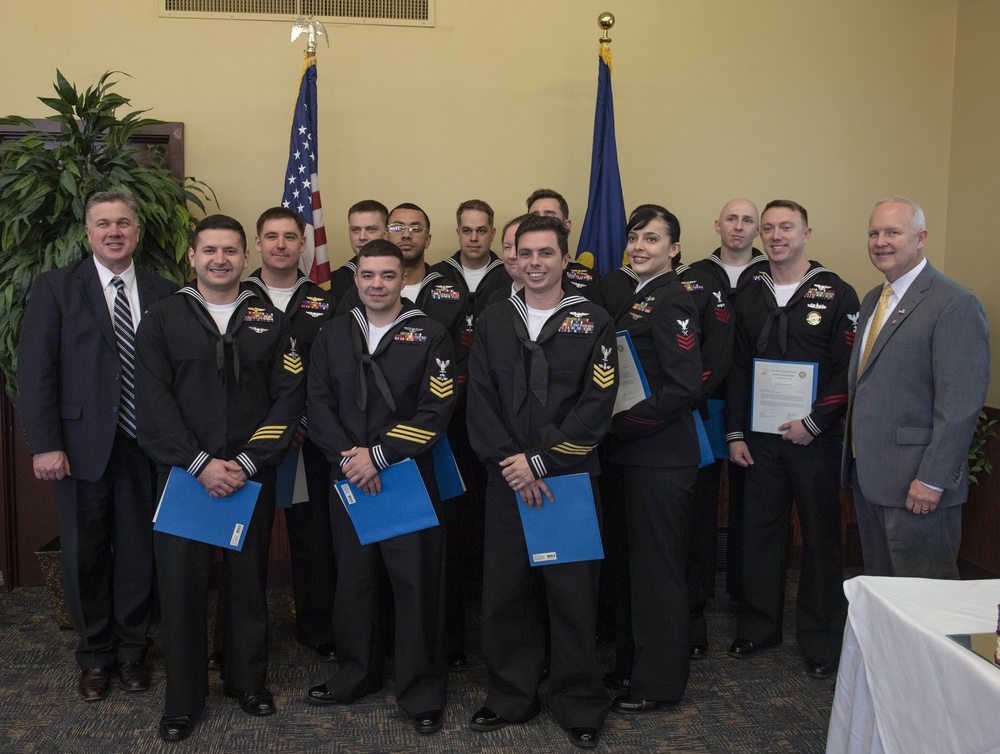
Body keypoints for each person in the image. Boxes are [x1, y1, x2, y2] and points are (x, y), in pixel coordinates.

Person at [135, 214, 305, 741]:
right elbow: (153, 403)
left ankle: (246, 681)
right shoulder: (163, 319)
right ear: (192, 256)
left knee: (247, 583)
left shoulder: (271, 321)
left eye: (230, 251)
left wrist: (247, 463)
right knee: (182, 590)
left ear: (245, 258)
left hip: (248, 477)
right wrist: (200, 464)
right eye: (209, 250)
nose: (220, 259)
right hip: (186, 477)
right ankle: (183, 700)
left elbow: (288, 399)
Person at [17, 189, 176, 702]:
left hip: (145, 447)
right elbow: (35, 371)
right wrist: (45, 444)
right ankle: (94, 655)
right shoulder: (56, 288)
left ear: (137, 232)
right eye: (103, 223)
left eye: (124, 223)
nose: (114, 231)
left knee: (137, 551)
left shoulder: (165, 291)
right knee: (84, 556)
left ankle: (132, 651)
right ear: (87, 233)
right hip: (79, 448)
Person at [467, 214, 616, 749]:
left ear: (564, 259)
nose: (535, 263)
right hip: (507, 480)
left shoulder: (594, 318)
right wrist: (514, 462)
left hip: (567, 479)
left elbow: (597, 405)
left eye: (546, 254)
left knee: (572, 594)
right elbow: (478, 398)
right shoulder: (491, 318)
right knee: (506, 593)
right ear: (514, 258)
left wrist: (543, 461)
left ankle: (578, 700)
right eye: (525, 254)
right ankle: (511, 694)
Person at [305, 239, 455, 736]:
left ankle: (422, 689)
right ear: (356, 278)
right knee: (355, 579)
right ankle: (356, 674)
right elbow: (317, 403)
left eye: (387, 276)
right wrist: (350, 459)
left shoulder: (431, 334)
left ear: (402, 279)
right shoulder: (332, 334)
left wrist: (380, 456)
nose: (376, 285)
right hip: (348, 476)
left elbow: (436, 411)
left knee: (415, 585)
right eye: (367, 275)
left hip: (407, 476)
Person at [725, 200, 858, 681]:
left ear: (806, 233)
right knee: (759, 532)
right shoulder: (750, 293)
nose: (776, 235)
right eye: (769, 228)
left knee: (821, 537)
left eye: (787, 227)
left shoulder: (837, 292)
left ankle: (822, 638)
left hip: (814, 439)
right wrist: (736, 432)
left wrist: (816, 422)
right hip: (760, 440)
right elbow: (737, 368)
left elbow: (849, 370)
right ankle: (758, 627)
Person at [843, 197, 989, 578]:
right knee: (884, 595)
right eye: (874, 233)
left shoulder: (954, 303)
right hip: (871, 480)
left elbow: (959, 405)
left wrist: (932, 479)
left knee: (925, 601)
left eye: (893, 232)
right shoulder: (875, 298)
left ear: (920, 237)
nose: (880, 241)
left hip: (918, 487)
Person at [595, 206, 704, 714]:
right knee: (630, 571)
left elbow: (683, 387)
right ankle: (630, 667)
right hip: (629, 457)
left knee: (657, 574)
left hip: (658, 458)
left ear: (674, 250)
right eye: (635, 237)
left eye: (653, 239)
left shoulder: (673, 300)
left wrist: (623, 425)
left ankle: (658, 684)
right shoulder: (637, 296)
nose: (640, 246)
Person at [243, 207, 338, 661]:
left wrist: (300, 424)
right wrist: (264, 431)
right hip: (247, 444)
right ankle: (236, 638)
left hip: (308, 441)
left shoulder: (326, 301)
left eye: (289, 237)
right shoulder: (233, 297)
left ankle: (318, 630)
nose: (280, 245)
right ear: (256, 245)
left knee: (312, 538)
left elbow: (333, 374)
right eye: (271, 236)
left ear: (305, 245)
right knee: (245, 541)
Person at [681, 199, 765, 655]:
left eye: (747, 220)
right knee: (699, 509)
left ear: (758, 229)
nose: (738, 226)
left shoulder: (775, 275)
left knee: (753, 511)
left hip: (762, 413)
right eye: (731, 219)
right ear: (717, 225)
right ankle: (696, 602)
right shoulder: (691, 273)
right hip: (705, 408)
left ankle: (746, 600)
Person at [526, 188, 596, 295]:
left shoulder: (591, 282)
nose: (541, 222)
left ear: (566, 226)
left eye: (549, 217)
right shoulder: (515, 273)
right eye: (534, 218)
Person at [329, 200, 388, 299]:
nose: (362, 237)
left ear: (386, 234)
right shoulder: (334, 281)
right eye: (355, 230)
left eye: (371, 229)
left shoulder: (400, 274)